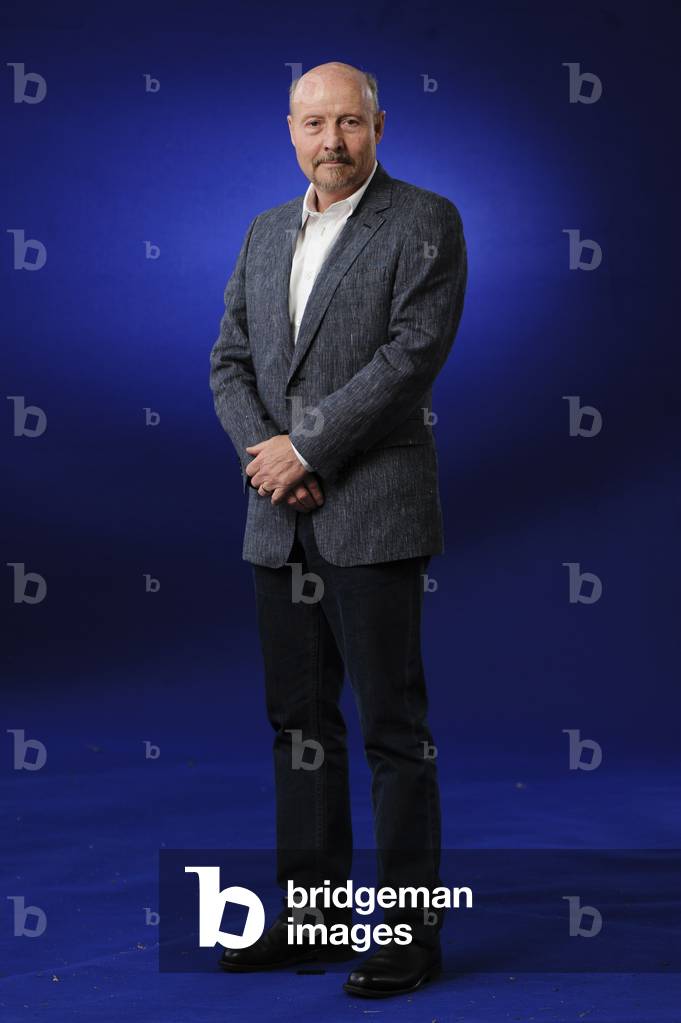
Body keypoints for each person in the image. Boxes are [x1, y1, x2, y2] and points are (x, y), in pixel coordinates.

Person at [209, 60, 467, 997]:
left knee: (393, 729)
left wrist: (305, 452)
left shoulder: (425, 220)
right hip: (276, 518)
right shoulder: (266, 229)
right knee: (299, 725)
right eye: (314, 123)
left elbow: (409, 358)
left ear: (379, 126)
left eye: (349, 123)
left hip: (373, 511)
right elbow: (229, 363)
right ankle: (313, 918)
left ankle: (408, 936)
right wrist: (268, 458)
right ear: (289, 130)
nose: (332, 141)